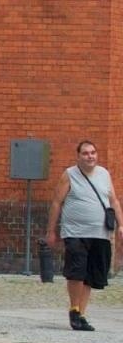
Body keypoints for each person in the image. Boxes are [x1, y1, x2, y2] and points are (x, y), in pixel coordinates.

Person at [44, 140, 116, 331]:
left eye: (93, 152)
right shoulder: (69, 175)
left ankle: (81, 315)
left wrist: (122, 224)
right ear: (78, 156)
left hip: (100, 233)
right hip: (75, 232)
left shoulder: (104, 174)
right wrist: (51, 231)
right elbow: (57, 203)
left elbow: (113, 200)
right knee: (76, 272)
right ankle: (74, 310)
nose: (90, 156)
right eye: (85, 153)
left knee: (91, 275)